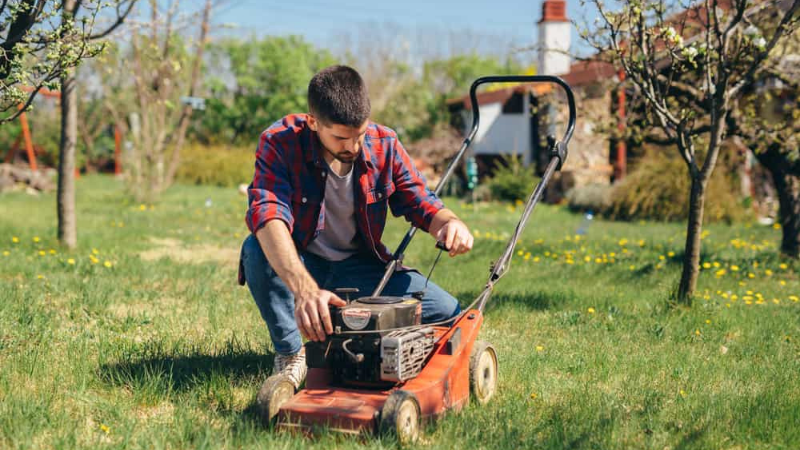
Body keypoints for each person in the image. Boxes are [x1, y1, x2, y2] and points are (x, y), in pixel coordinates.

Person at [239, 65, 474, 389]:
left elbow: (417, 198)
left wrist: (449, 223)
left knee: (447, 312)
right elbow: (268, 215)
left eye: (359, 135)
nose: (352, 146)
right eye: (340, 137)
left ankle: (373, 342)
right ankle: (293, 354)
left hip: (360, 267)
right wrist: (305, 291)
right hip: (303, 263)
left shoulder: (384, 143)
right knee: (255, 250)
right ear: (313, 122)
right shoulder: (280, 141)